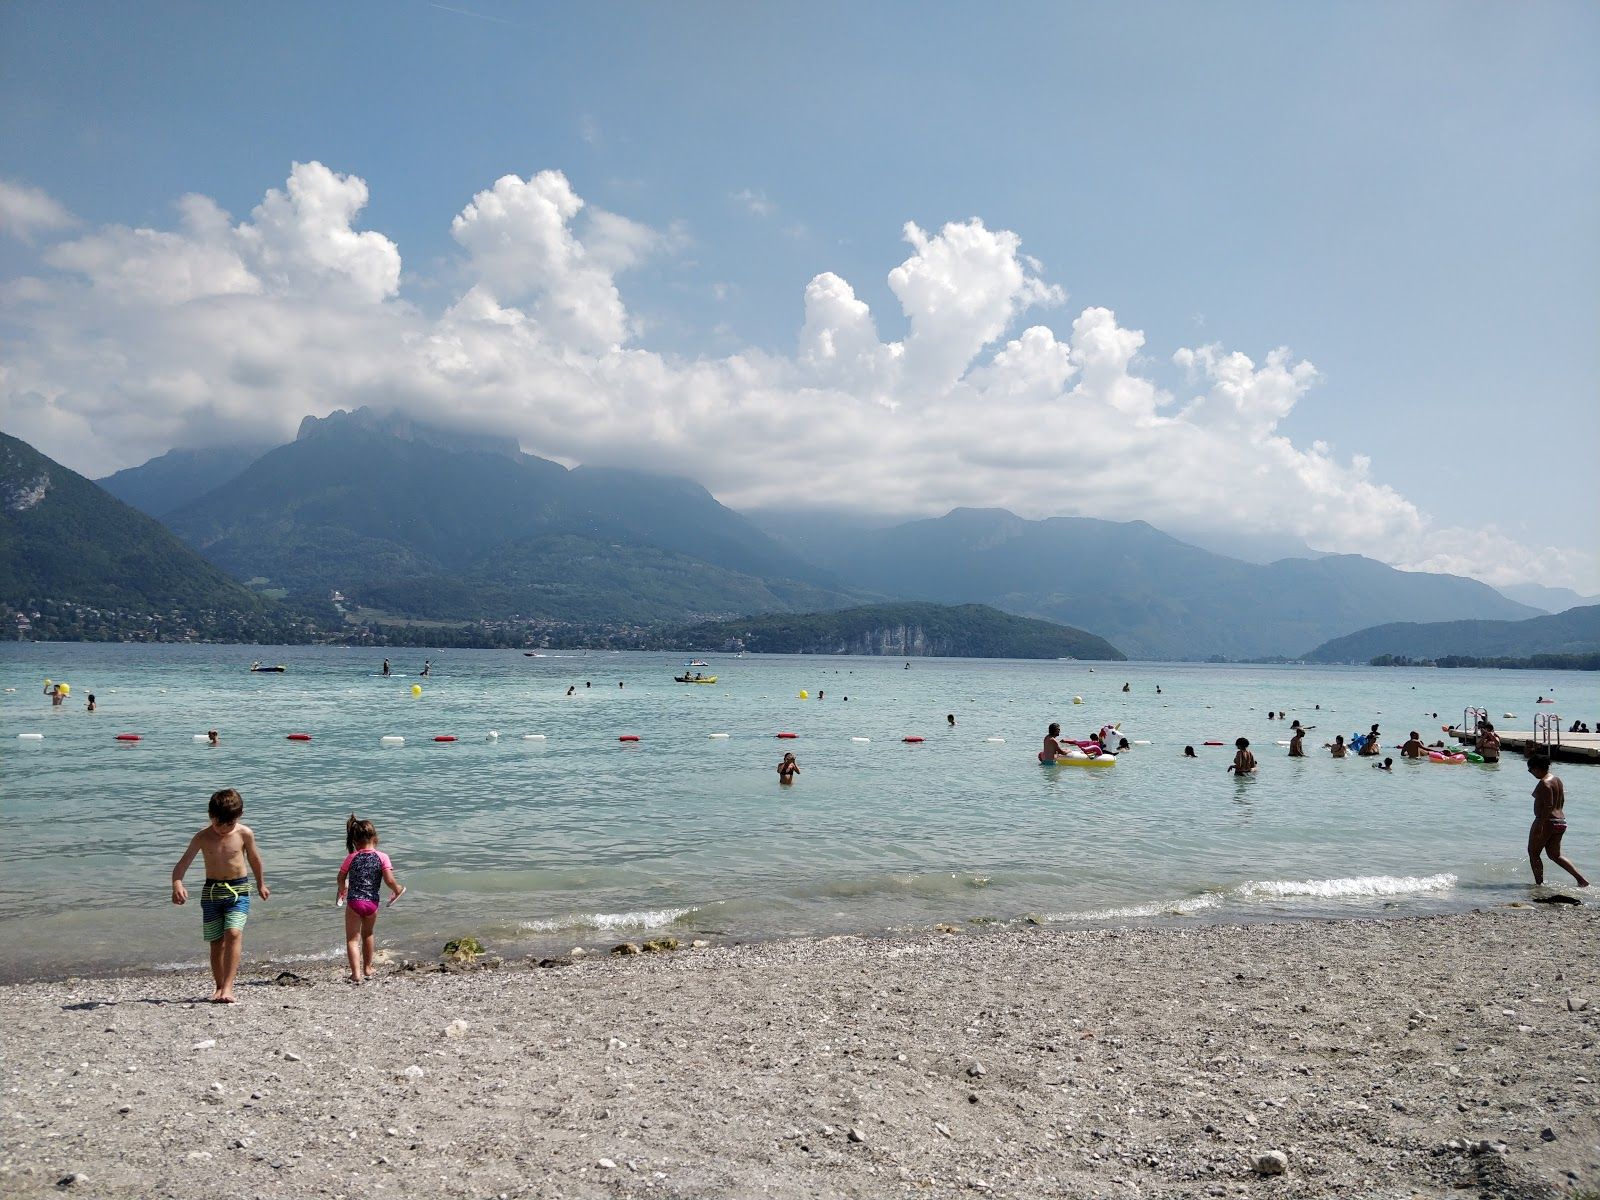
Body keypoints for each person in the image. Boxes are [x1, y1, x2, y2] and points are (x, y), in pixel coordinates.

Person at [170, 788, 269, 1004]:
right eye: (218, 824)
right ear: (210, 816)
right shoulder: (202, 837)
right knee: (216, 942)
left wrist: (261, 883)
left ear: (238, 817)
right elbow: (182, 864)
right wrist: (177, 883)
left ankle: (228, 986)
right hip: (212, 892)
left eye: (229, 824)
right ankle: (218, 986)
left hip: (239, 891)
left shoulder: (244, 833)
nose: (223, 829)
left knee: (233, 933)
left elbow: (254, 859)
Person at [337, 815, 406, 984]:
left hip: (354, 902)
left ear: (354, 840)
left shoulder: (351, 857)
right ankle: (368, 968)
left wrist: (342, 889)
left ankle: (356, 974)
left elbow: (340, 877)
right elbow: (389, 880)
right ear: (375, 838)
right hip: (372, 904)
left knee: (353, 939)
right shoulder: (382, 857)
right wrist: (397, 889)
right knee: (368, 934)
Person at [1526, 753, 1589, 887]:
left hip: (1546, 821)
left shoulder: (1544, 783)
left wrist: (1540, 825)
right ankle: (1581, 879)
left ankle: (1539, 885)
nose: (1530, 773)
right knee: (1555, 855)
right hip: (1560, 821)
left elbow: (1548, 805)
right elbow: (1560, 801)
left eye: (1530, 770)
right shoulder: (1557, 780)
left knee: (1533, 853)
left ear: (1536, 768)